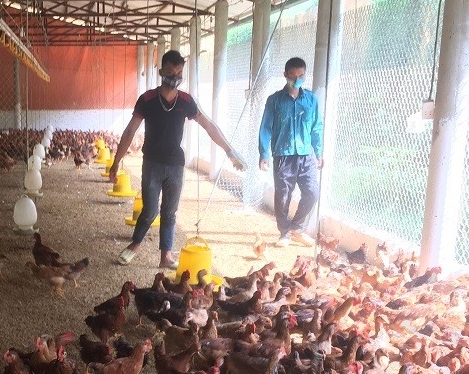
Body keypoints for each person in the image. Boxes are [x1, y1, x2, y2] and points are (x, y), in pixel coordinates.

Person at [109, 50, 244, 268]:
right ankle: (135, 244)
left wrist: (229, 151)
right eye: (171, 72)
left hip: (176, 165)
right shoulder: (147, 99)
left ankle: (166, 256)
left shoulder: (186, 101)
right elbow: (129, 131)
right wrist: (116, 162)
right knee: (150, 209)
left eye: (179, 73)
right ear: (162, 71)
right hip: (151, 163)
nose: (175, 77)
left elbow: (209, 125)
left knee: (170, 212)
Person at [258, 57, 324, 247]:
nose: (297, 79)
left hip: (306, 155)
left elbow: (317, 127)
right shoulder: (275, 100)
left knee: (312, 192)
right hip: (283, 154)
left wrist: (318, 152)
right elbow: (266, 128)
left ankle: (297, 228)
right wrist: (264, 154)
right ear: (285, 75)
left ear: (305, 74)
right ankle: (284, 233)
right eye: (293, 75)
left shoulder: (311, 100)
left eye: (301, 75)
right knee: (283, 196)